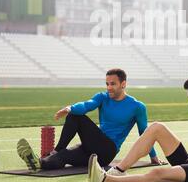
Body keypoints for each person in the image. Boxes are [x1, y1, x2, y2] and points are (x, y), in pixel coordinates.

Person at [17, 68, 162, 172]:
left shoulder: (137, 106)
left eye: (113, 84)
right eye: (107, 84)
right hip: (92, 146)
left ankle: (55, 150)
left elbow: (145, 134)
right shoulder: (102, 97)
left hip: (107, 150)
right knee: (64, 156)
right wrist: (69, 108)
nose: (109, 87)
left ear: (123, 84)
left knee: (75, 116)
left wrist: (153, 157)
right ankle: (39, 163)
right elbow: (87, 105)